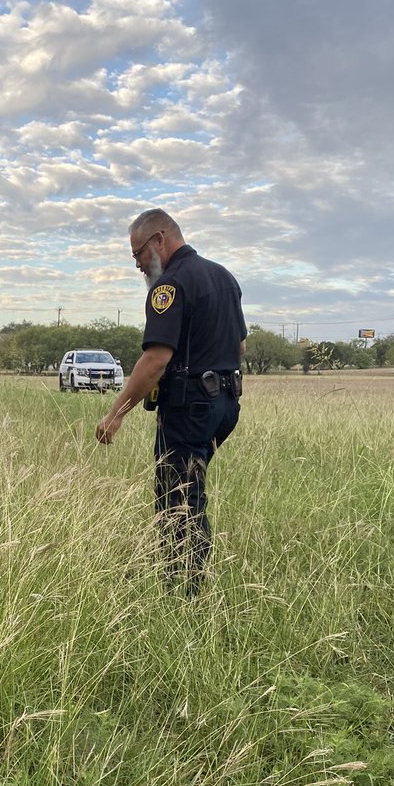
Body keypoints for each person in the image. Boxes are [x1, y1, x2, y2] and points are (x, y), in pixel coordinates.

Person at [96, 209, 247, 591]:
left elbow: (156, 359)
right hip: (226, 404)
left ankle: (184, 590)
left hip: (190, 407)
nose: (138, 265)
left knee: (179, 498)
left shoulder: (171, 286)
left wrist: (117, 413)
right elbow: (240, 344)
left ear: (160, 239)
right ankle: (180, 578)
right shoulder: (223, 276)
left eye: (138, 254)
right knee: (188, 487)